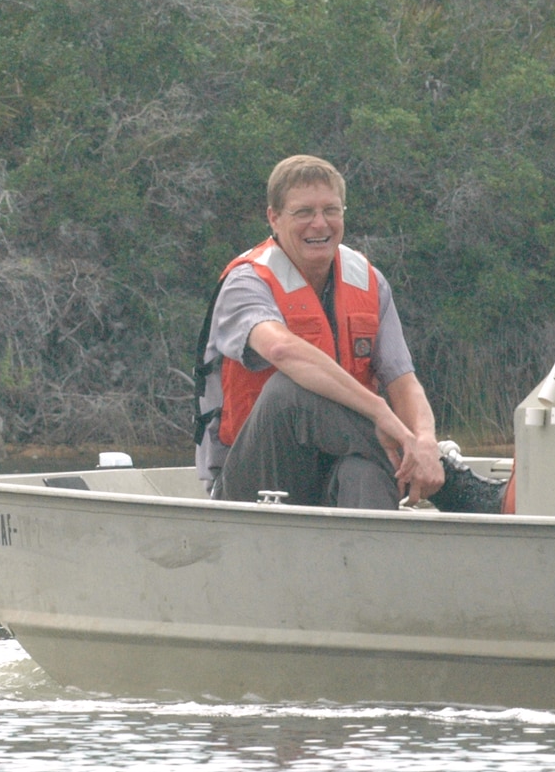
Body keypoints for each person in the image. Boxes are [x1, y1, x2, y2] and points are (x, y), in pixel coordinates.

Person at [194, 155, 503, 512]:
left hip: (334, 468)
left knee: (366, 471)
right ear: (274, 218)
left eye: (331, 210)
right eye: (303, 212)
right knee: (289, 390)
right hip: (254, 481)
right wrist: (382, 416)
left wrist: (426, 441)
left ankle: (366, 561)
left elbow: (403, 381)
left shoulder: (368, 281)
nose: (319, 223)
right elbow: (280, 349)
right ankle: (451, 486)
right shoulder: (245, 282)